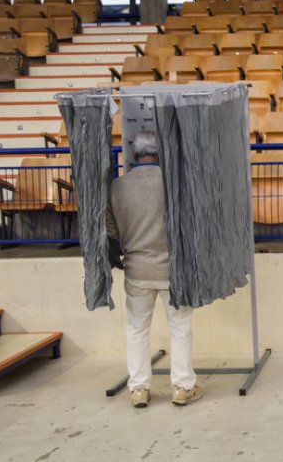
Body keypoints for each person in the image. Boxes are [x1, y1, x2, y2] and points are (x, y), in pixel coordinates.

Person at [105, 131, 202, 408]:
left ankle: (138, 390)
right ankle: (182, 387)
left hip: (137, 270)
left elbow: (111, 230)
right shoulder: (174, 186)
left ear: (134, 155)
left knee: (136, 329)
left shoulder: (117, 187)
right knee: (180, 328)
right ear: (160, 154)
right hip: (172, 270)